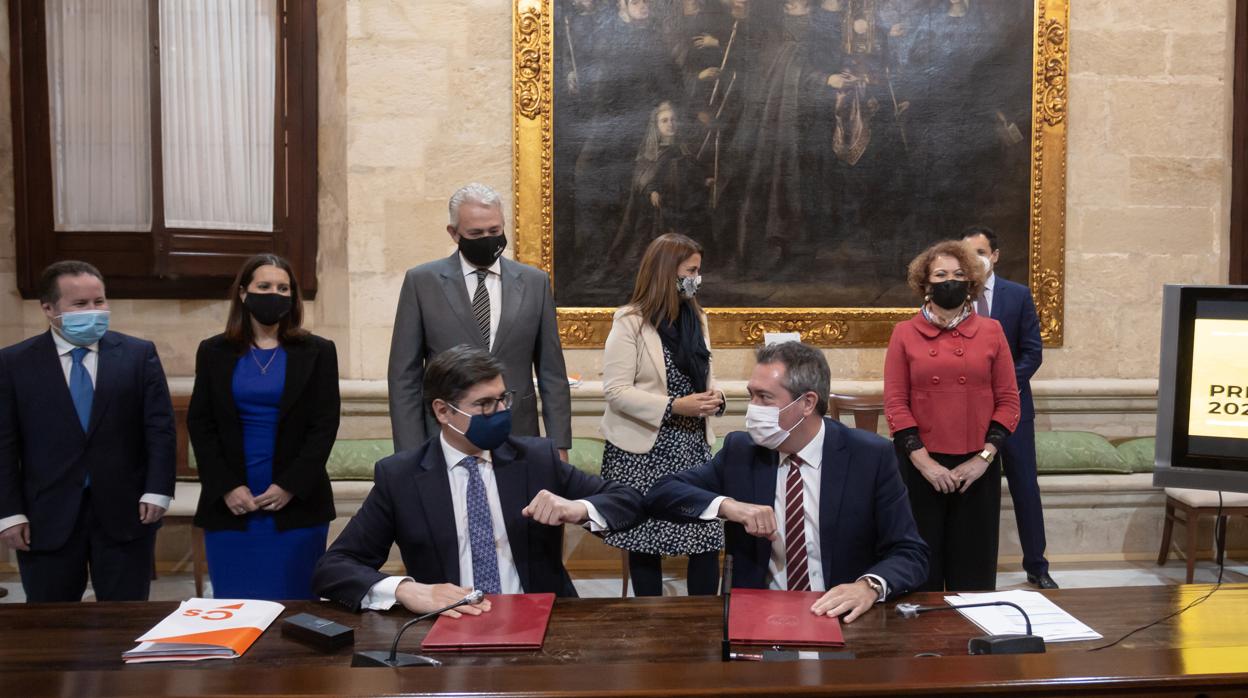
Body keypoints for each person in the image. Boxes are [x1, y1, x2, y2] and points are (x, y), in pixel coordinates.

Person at [313, 346, 643, 614]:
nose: (500, 411)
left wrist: (578, 508)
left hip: (542, 616)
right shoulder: (401, 477)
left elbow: (630, 501)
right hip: (449, 622)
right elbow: (334, 567)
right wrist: (405, 589)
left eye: (503, 399)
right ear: (442, 411)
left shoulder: (536, 459)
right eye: (484, 404)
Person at [645, 342, 928, 622]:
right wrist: (730, 507)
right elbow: (661, 493)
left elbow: (910, 553)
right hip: (760, 617)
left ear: (807, 403)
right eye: (750, 395)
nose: (752, 408)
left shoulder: (870, 456)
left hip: (841, 617)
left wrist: (868, 587)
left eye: (764, 397)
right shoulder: (742, 451)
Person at [0, 261, 175, 602]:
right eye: (80, 304)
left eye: (99, 301)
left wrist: (157, 490)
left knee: (126, 621)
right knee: (51, 628)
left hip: (127, 513)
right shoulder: (13, 363)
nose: (93, 311)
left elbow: (159, 428)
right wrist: (9, 512)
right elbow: (4, 443)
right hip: (45, 517)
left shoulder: (138, 355)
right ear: (49, 308)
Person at [188, 254, 340, 600]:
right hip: (232, 504)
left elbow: (324, 424)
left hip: (296, 503)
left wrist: (290, 485)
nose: (275, 294)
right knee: (235, 606)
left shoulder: (317, 351)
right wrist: (226, 486)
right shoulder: (214, 351)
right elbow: (201, 423)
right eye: (265, 286)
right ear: (244, 293)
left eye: (283, 288)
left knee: (295, 605)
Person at [388, 183, 572, 457]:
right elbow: (404, 377)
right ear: (454, 233)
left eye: (494, 231)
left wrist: (559, 445)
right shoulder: (422, 282)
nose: (487, 239)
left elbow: (552, 373)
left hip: (517, 436)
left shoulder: (535, 283)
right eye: (476, 233)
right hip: (448, 438)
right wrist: (410, 454)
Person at [884, 240, 1020, 592]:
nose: (950, 281)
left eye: (959, 275)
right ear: (926, 284)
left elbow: (1008, 401)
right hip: (920, 468)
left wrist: (983, 459)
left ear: (972, 282)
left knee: (973, 573)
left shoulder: (992, 332)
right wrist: (925, 463)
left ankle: (970, 643)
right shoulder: (904, 333)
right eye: (941, 274)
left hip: (977, 468)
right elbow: (896, 403)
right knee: (921, 568)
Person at [600, 233, 725, 596]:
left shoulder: (697, 319)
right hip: (642, 450)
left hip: (691, 448)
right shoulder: (630, 322)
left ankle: (702, 624)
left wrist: (714, 398)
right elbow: (616, 391)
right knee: (646, 542)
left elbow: (705, 376)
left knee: (705, 537)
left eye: (698, 270)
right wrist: (672, 406)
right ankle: (648, 625)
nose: (697, 279)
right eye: (691, 270)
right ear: (667, 271)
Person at [962, 226, 1054, 589]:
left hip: (1014, 410)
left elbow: (1032, 351)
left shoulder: (1017, 296)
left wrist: (1003, 385)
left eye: (982, 252)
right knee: (974, 491)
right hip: (970, 413)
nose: (976, 260)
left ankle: (1037, 566)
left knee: (1025, 488)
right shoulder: (956, 297)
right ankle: (973, 569)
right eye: (969, 254)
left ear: (995, 255)